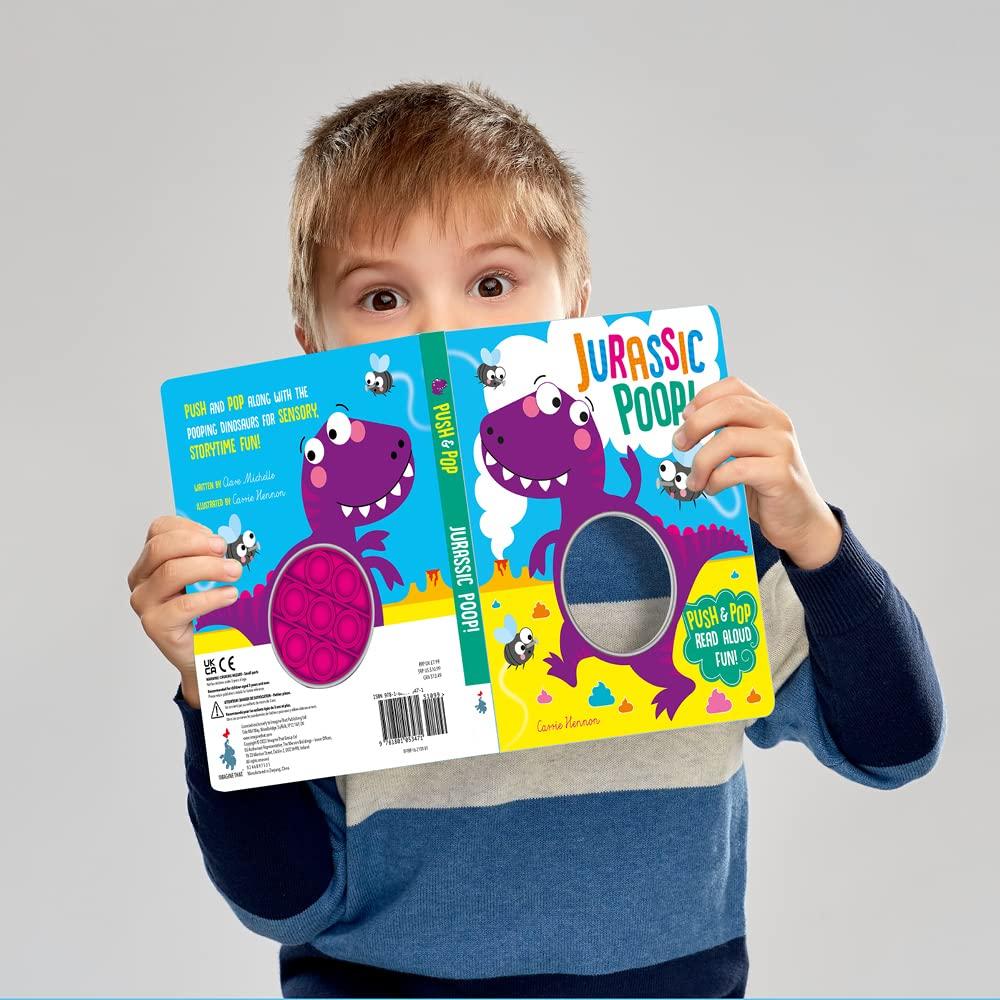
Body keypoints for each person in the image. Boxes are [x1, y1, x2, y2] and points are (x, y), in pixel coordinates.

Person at [127, 82, 944, 998]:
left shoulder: (702, 524)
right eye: (383, 297)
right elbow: (284, 900)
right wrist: (212, 688)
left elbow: (894, 746)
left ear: (577, 306)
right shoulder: (302, 586)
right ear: (313, 345)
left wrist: (816, 541)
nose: (442, 330)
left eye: (490, 284)